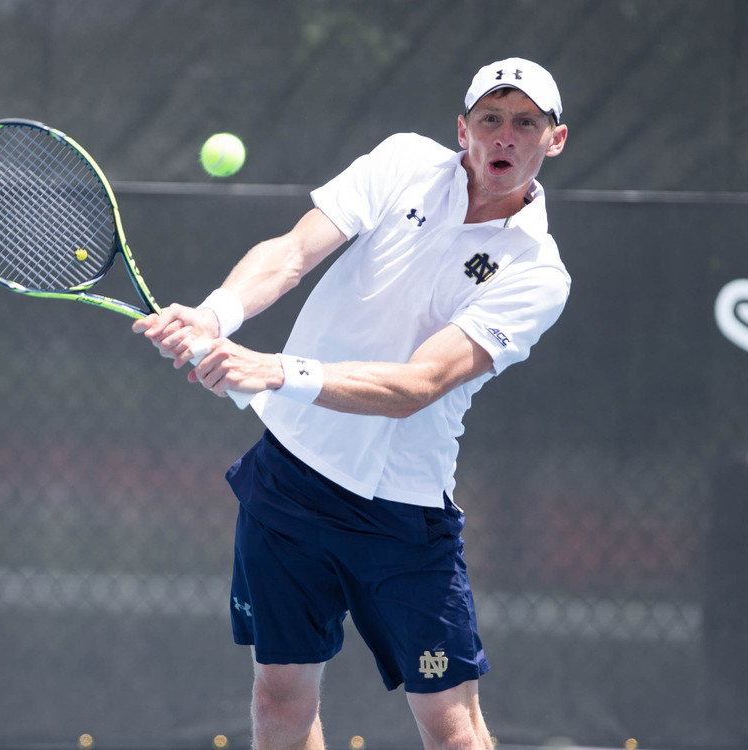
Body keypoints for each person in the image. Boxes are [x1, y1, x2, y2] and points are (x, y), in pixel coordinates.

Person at [133, 57, 570, 750]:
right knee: (279, 702)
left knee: (452, 726)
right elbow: (291, 254)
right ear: (463, 129)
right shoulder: (402, 163)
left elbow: (417, 386)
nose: (505, 136)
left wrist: (274, 371)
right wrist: (216, 317)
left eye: (525, 123)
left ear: (555, 139)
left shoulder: (537, 273)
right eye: (490, 119)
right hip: (290, 483)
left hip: (401, 515)